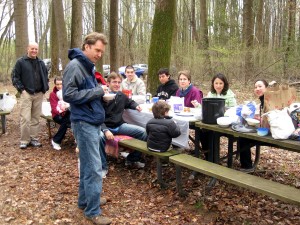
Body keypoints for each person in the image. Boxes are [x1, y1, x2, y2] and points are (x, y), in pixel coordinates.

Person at [62, 32, 112, 225]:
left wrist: (99, 92)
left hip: (89, 120)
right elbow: (69, 95)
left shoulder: (87, 66)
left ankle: (85, 200)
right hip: (83, 122)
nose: (99, 54)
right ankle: (93, 211)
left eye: (102, 51)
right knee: (94, 167)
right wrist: (98, 91)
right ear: (87, 46)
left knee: (87, 164)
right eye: (97, 50)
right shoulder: (76, 66)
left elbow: (84, 92)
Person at [102, 72, 147, 168]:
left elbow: (130, 102)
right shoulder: (101, 97)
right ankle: (101, 165)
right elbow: (96, 118)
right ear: (108, 83)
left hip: (119, 126)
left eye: (119, 82)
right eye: (114, 82)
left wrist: (136, 106)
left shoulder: (121, 96)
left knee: (143, 132)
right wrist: (105, 130)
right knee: (97, 138)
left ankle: (132, 159)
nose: (117, 84)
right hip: (104, 127)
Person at [11, 42, 49, 149]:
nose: (34, 51)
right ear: (28, 49)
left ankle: (34, 139)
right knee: (25, 118)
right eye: (32, 49)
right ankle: (24, 140)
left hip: (39, 93)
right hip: (26, 93)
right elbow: (15, 77)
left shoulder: (41, 62)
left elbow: (45, 76)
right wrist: (22, 90)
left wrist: (44, 89)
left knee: (35, 118)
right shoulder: (21, 62)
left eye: (36, 49)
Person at [239, 79, 269, 172]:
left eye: (260, 86)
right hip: (263, 130)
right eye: (255, 87)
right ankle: (247, 165)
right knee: (242, 137)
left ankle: (247, 166)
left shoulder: (269, 101)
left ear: (267, 88)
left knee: (243, 138)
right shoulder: (260, 102)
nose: (257, 89)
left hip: (270, 133)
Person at [49, 76, 71, 150]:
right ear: (55, 84)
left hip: (67, 113)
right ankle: (56, 140)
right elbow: (54, 108)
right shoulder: (53, 94)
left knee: (70, 120)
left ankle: (56, 140)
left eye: (60, 84)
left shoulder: (67, 92)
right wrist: (63, 109)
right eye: (57, 84)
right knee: (66, 122)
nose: (59, 86)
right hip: (57, 115)